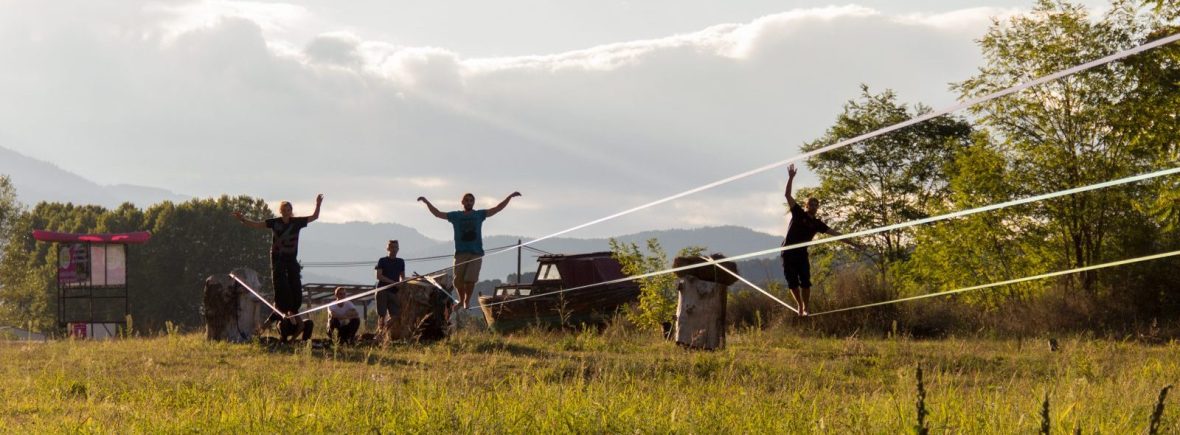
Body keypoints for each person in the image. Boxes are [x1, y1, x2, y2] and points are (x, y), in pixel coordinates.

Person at [417, 191, 521, 312]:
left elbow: (497, 209)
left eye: (471, 201)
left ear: (474, 202)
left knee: (470, 279)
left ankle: (466, 301)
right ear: (462, 202)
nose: (469, 202)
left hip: (475, 253)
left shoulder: (479, 214)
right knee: (457, 282)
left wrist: (509, 197)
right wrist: (426, 202)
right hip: (460, 253)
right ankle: (461, 300)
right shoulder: (456, 216)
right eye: (466, 200)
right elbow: (438, 214)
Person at [232, 194, 323, 324]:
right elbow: (257, 225)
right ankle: (282, 307)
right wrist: (243, 219)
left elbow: (315, 217)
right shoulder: (275, 222)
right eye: (284, 210)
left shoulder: (297, 222)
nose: (286, 212)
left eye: (288, 210)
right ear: (281, 211)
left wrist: (318, 204)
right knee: (280, 282)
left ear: (291, 211)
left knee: (295, 281)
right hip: (278, 259)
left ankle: (294, 307)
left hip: (291, 259)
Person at [782, 164, 858, 316]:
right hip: (788, 253)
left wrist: (854, 244)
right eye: (811, 204)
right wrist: (790, 178)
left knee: (805, 282)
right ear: (806, 205)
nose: (813, 206)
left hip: (801, 254)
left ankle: (806, 308)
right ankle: (799, 305)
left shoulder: (817, 224)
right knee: (792, 283)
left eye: (816, 205)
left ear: (817, 208)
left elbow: (836, 234)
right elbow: (787, 195)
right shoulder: (798, 213)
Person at [374, 240, 406, 330]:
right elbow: (379, 276)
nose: (394, 249)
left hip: (393, 292)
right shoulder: (382, 260)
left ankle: (383, 330)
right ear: (388, 248)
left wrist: (401, 283)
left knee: (396, 315)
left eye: (396, 247)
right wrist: (393, 282)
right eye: (392, 247)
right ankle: (380, 333)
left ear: (398, 249)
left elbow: (402, 276)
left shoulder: (401, 261)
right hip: (382, 290)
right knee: (382, 316)